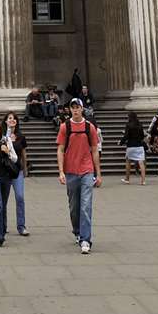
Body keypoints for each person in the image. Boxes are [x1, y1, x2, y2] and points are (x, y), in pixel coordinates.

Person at [57, 97, 103, 254]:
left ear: (82, 109)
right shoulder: (65, 127)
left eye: (78, 107)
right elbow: (61, 149)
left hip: (86, 170)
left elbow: (95, 150)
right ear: (70, 110)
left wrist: (98, 173)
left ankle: (85, 239)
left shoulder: (89, 127)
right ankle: (77, 231)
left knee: (85, 206)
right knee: (74, 207)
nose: (75, 110)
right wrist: (61, 171)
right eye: (73, 107)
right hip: (71, 171)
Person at [120, 110, 147, 185]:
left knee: (128, 161)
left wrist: (121, 142)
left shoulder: (128, 125)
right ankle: (143, 181)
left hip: (131, 145)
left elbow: (126, 136)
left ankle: (127, 179)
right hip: (139, 145)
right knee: (141, 162)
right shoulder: (139, 124)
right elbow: (142, 135)